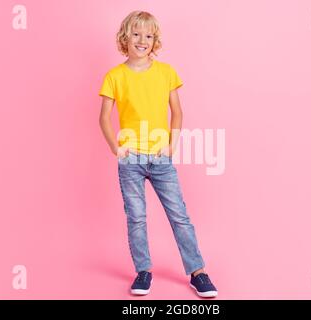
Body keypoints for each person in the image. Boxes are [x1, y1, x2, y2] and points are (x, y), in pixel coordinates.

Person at [98, 10, 217, 298]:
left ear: (155, 41)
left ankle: (198, 272)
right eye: (136, 34)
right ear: (125, 37)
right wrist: (117, 147)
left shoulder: (166, 73)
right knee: (136, 217)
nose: (142, 40)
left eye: (148, 36)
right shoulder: (114, 76)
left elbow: (177, 111)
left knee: (179, 216)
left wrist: (172, 143)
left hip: (160, 158)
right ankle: (143, 271)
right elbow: (103, 117)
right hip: (131, 161)